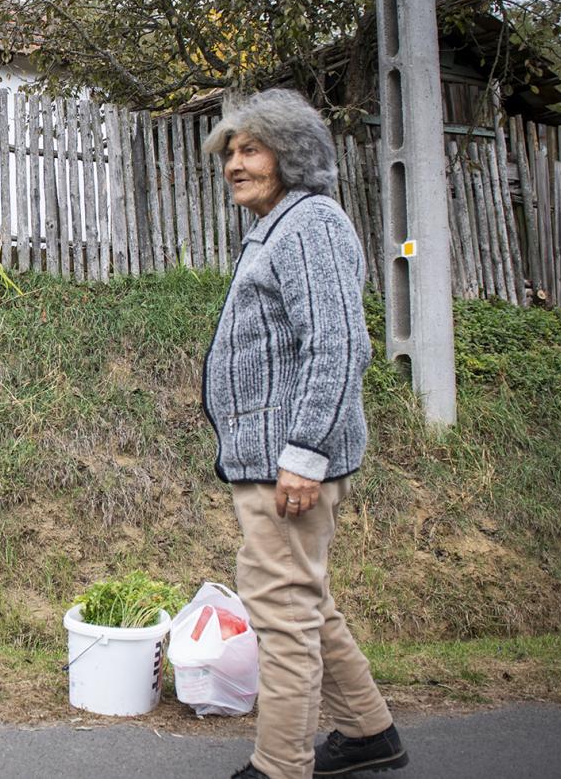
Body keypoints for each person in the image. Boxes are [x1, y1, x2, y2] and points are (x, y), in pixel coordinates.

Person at [200, 89, 408, 779]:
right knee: (303, 601)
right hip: (271, 460)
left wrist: (305, 454)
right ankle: (369, 733)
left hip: (287, 465)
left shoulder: (310, 224)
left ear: (292, 156)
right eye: (230, 153)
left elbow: (338, 346)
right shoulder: (278, 227)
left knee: (282, 615)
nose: (234, 164)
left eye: (250, 150)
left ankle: (280, 766)